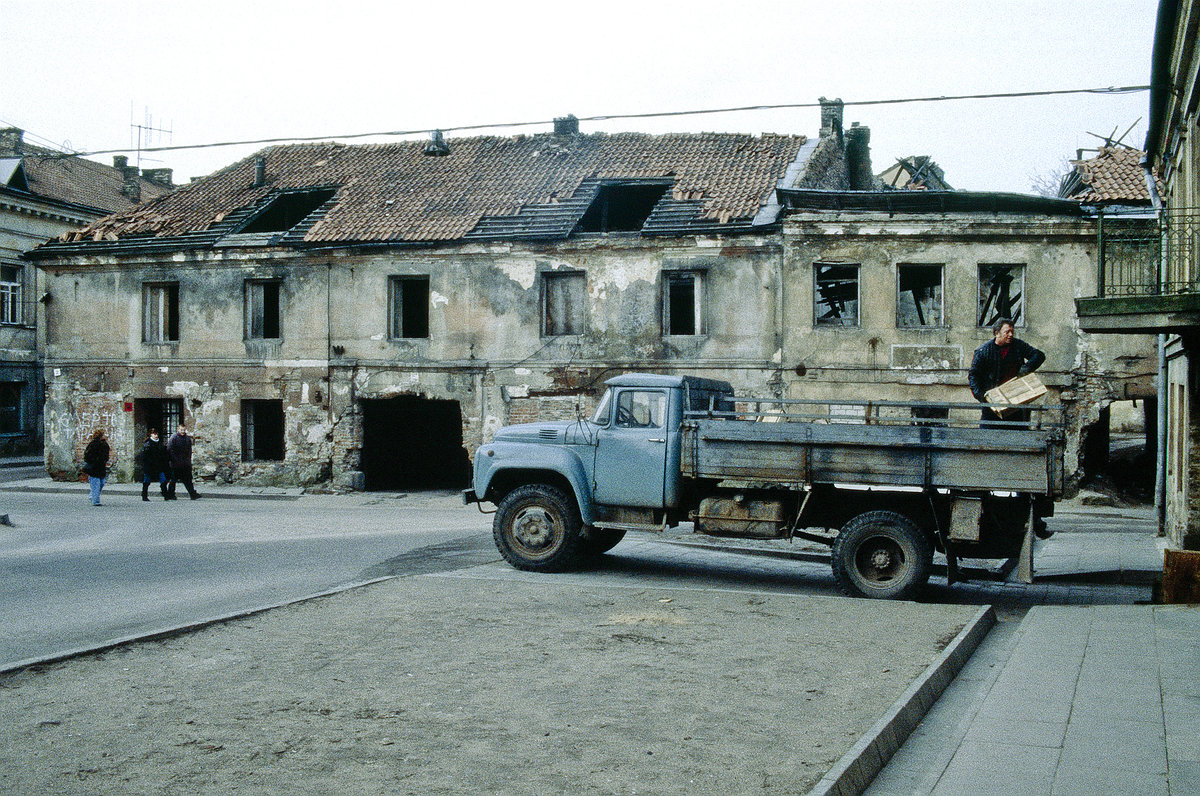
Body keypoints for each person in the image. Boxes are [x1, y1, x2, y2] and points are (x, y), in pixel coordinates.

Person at [968, 318, 1045, 424]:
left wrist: (1026, 369)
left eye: (1012, 331)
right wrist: (982, 397)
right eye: (1007, 332)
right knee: (989, 436)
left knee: (1017, 434)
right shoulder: (983, 352)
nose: (1010, 334)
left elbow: (1039, 355)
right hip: (994, 403)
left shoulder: (1018, 345)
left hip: (1017, 398)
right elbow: (974, 375)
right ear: (996, 333)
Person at [166, 424, 201, 500]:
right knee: (173, 480)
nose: (182, 431)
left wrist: (188, 460)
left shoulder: (187, 439)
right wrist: (174, 459)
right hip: (175, 463)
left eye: (184, 430)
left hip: (185, 463)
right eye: (181, 430)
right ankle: (170, 494)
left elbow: (189, 451)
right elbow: (169, 449)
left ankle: (192, 494)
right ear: (178, 429)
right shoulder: (174, 438)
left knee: (188, 480)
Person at [82, 428, 111, 506]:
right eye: (104, 434)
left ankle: (92, 495)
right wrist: (94, 460)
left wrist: (105, 460)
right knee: (96, 484)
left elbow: (106, 454)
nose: (106, 436)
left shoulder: (104, 444)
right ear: (100, 435)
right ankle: (95, 501)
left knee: (102, 482)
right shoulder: (93, 444)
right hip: (94, 467)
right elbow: (87, 455)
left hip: (101, 466)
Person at [141, 428, 171, 502]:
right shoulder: (148, 444)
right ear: (151, 434)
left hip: (159, 465)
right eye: (154, 434)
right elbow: (144, 456)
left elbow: (164, 454)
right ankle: (144, 495)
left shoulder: (160, 444)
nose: (156, 435)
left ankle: (165, 495)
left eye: (157, 434)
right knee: (147, 481)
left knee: (163, 480)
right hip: (149, 465)